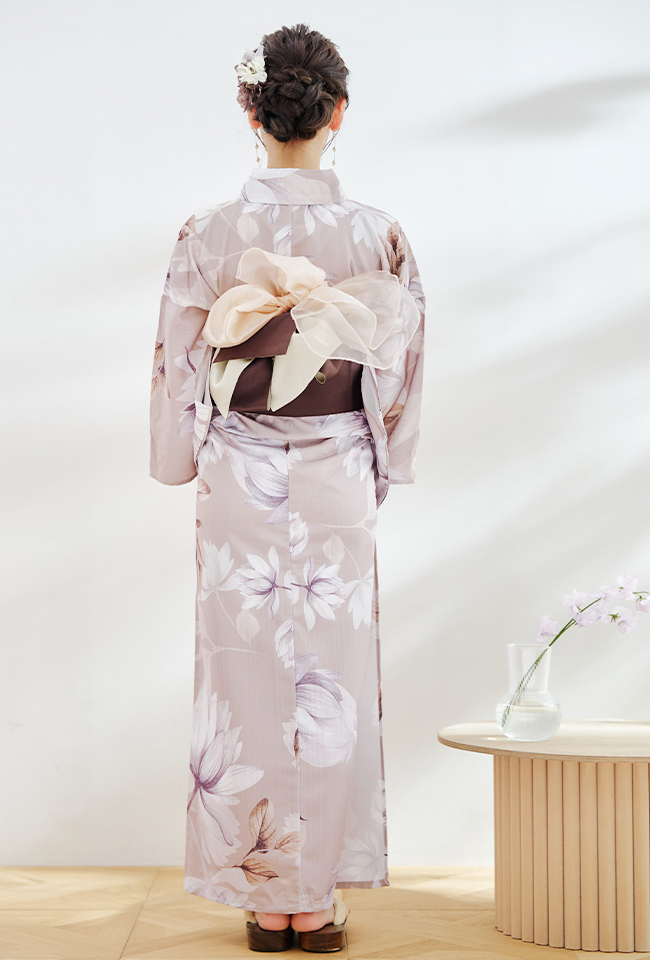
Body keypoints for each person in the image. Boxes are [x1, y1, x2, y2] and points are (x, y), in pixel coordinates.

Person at [149, 22, 425, 953]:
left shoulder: (207, 232)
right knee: (334, 675)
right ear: (338, 112)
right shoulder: (378, 233)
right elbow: (400, 361)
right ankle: (317, 900)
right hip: (337, 460)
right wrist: (385, 454)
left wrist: (178, 456)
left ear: (251, 112)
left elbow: (178, 359)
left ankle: (268, 901)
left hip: (239, 465)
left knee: (244, 675)